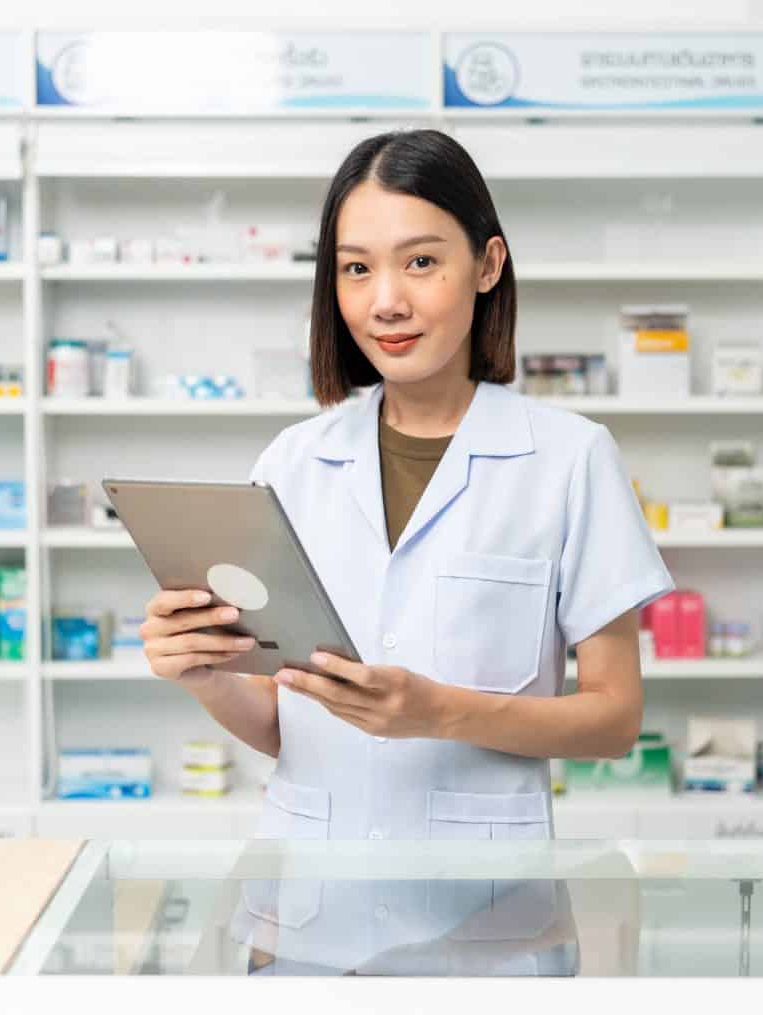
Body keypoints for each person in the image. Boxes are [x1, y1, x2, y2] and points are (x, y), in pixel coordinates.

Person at [140, 128, 673, 845]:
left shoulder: (570, 459)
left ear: (487, 265)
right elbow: (279, 723)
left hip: (483, 913)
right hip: (309, 901)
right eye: (356, 269)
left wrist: (441, 713)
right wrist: (203, 676)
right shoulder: (292, 464)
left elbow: (614, 719)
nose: (385, 301)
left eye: (420, 261)